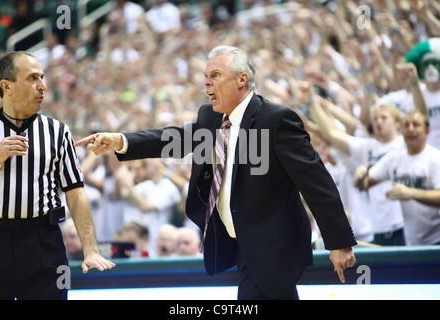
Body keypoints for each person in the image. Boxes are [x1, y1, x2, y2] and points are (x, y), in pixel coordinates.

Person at [75, 45, 356, 300]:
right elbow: (174, 138)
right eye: (206, 76)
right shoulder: (210, 118)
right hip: (242, 247)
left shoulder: (276, 119)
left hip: (275, 248)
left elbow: (316, 181)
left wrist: (340, 242)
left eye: (216, 75)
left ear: (241, 80)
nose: (207, 83)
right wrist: (121, 141)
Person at [0, 52, 115, 300]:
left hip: (43, 240)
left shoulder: (57, 131)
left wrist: (90, 249)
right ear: (7, 86)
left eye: (43, 77)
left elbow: (76, 193)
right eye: (33, 78)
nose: (43, 86)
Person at [309, 95, 406, 246]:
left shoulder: (405, 145)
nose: (378, 121)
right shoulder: (368, 148)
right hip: (378, 228)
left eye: (384, 118)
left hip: (403, 225)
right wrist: (311, 102)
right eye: (375, 119)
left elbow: (348, 126)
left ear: (398, 123)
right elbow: (332, 134)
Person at [354, 111, 440, 245]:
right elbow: (363, 185)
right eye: (406, 125)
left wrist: (411, 193)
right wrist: (359, 177)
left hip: (436, 240)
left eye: (416, 125)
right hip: (410, 241)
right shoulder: (394, 159)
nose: (411, 129)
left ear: (427, 130)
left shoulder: (435, 158)